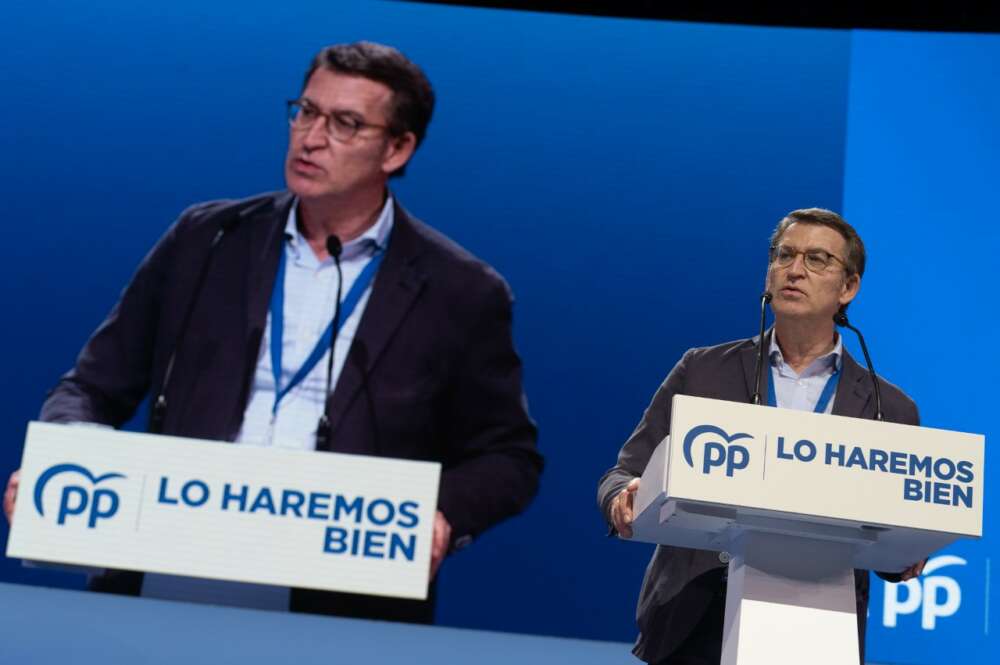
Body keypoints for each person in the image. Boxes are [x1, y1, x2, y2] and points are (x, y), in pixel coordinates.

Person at [4, 41, 542, 623]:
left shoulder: (459, 291)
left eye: (345, 123)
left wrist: (434, 517)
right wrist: (64, 459)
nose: (311, 138)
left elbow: (506, 457)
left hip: (339, 598)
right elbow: (90, 387)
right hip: (168, 558)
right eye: (305, 112)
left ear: (397, 147)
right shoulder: (206, 240)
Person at [597, 208, 924, 665]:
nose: (795, 270)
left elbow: (895, 537)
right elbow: (625, 472)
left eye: (816, 259)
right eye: (784, 255)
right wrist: (620, 498)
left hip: (817, 630)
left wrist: (909, 552)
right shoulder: (702, 370)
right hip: (695, 623)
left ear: (848, 287)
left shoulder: (891, 408)